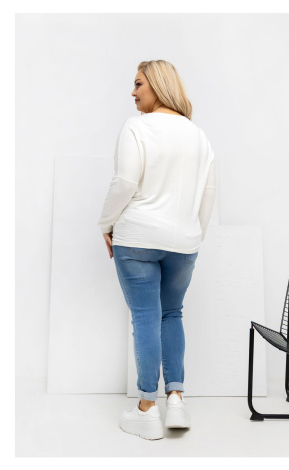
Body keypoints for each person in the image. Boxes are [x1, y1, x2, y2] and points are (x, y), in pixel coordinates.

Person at [96, 60, 216, 440]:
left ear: (158, 86)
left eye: (138, 84)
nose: (132, 92)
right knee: (172, 313)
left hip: (137, 238)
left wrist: (105, 223)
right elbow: (208, 195)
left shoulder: (137, 127)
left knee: (146, 317)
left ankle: (147, 409)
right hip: (185, 242)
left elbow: (125, 182)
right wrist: (193, 236)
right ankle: (176, 399)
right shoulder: (199, 136)